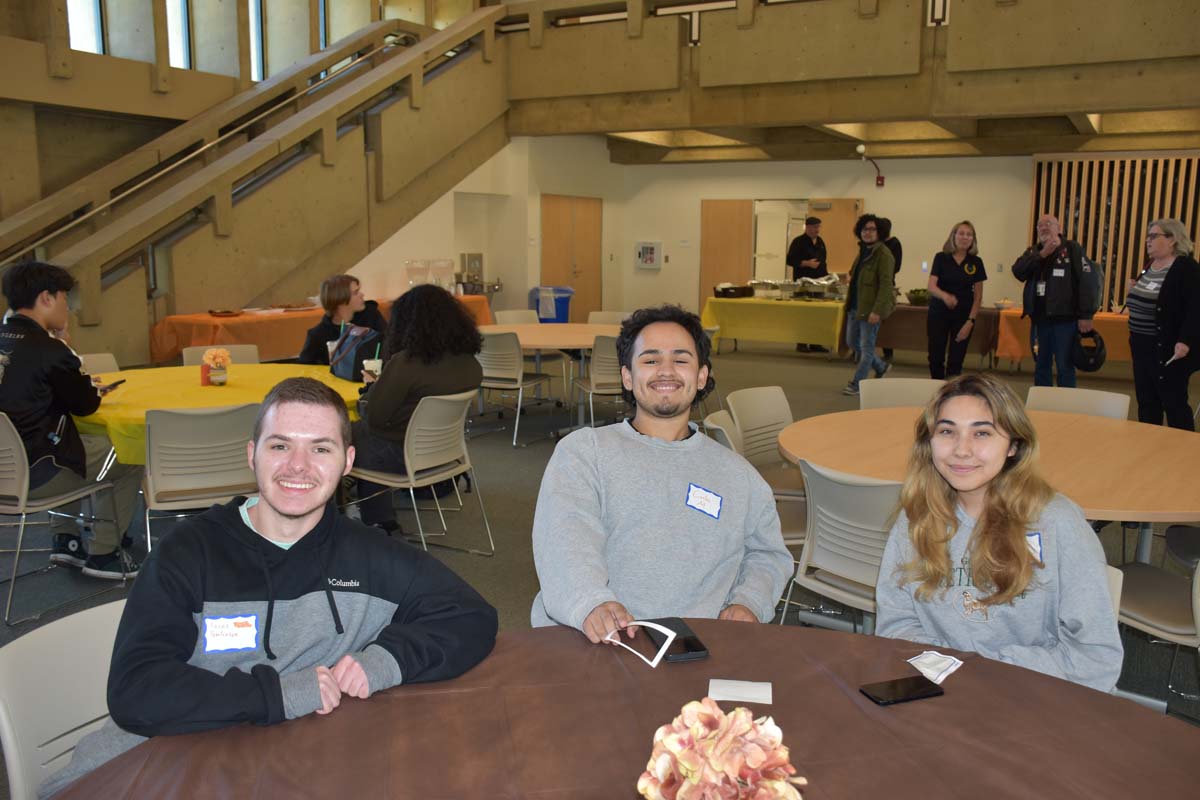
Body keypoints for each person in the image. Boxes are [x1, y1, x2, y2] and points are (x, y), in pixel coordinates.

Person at [39, 377, 498, 798]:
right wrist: (279, 693)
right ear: (251, 453)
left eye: (321, 449)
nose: (298, 467)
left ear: (348, 462)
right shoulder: (190, 552)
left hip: (285, 767)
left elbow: (469, 615)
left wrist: (386, 660)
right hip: (154, 763)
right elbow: (136, 691)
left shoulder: (371, 556)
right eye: (280, 445)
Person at [530, 305, 793, 643]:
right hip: (597, 637)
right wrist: (592, 603)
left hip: (697, 643)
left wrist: (749, 602)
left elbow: (767, 553)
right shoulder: (585, 453)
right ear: (627, 376)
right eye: (650, 360)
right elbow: (565, 539)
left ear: (701, 376)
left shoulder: (737, 474)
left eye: (681, 360)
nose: (666, 371)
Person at [875, 374, 1123, 693]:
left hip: (1040, 694)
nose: (962, 450)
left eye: (982, 433)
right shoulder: (917, 518)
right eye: (947, 431)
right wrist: (959, 675)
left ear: (1014, 447)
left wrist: (984, 670)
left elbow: (1095, 657)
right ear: (930, 443)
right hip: (946, 691)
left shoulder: (1055, 522)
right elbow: (895, 625)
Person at [0, 262, 141, 579]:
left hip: (7, 470)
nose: (68, 307)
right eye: (65, 298)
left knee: (68, 441)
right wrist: (64, 342)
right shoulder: (48, 350)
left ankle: (66, 539)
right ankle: (105, 553)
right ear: (46, 299)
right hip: (34, 476)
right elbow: (86, 405)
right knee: (128, 452)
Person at [352, 285, 483, 532]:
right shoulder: (471, 364)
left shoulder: (406, 363)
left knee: (333, 439)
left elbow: (376, 420)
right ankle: (378, 518)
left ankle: (373, 520)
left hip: (401, 457)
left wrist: (372, 391)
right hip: (446, 456)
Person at [1125, 218, 1200, 430]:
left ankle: (1184, 451)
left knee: (1173, 402)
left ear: (1172, 239)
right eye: (1148, 236)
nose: (1148, 241)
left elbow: (1195, 310)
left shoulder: (1186, 268)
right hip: (1141, 346)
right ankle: (1150, 448)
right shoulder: (1150, 266)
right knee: (1147, 402)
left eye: (1154, 236)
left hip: (1168, 348)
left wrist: (1185, 341)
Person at [1012, 215, 1099, 387]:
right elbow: (1018, 272)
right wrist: (1043, 254)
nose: (1043, 227)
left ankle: (1066, 407)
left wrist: (1086, 314)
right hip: (1039, 321)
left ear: (1059, 229)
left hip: (1066, 321)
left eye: (1048, 224)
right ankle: (1042, 406)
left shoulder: (1072, 249)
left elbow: (1088, 282)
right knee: (1041, 365)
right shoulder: (1033, 252)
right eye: (1040, 225)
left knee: (1065, 366)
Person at [841, 214, 895, 396]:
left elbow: (887, 285)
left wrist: (877, 311)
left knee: (866, 348)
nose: (868, 233)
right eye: (865, 229)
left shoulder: (884, 255)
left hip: (871, 309)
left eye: (872, 229)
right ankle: (881, 367)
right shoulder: (863, 251)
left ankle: (857, 384)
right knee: (851, 342)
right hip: (855, 307)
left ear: (880, 232)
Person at [927, 221, 987, 379]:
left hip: (963, 317)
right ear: (953, 236)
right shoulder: (941, 258)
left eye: (969, 234)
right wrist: (945, 296)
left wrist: (970, 322)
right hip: (938, 314)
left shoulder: (976, 262)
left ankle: (952, 397)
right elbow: (931, 287)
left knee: (956, 362)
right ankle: (937, 393)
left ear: (973, 239)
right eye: (961, 233)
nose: (965, 237)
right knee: (935, 358)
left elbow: (978, 297)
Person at [298, 274, 387, 365]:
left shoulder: (371, 315)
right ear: (341, 299)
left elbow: (390, 346)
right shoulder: (318, 335)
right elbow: (305, 368)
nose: (362, 295)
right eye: (356, 292)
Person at [787, 216, 830, 353]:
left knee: (818, 313)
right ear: (807, 227)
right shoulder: (798, 242)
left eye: (818, 227)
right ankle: (802, 343)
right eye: (814, 227)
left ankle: (815, 342)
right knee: (803, 313)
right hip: (802, 283)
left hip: (819, 282)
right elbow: (790, 260)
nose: (817, 230)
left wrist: (827, 278)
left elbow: (824, 260)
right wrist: (807, 263)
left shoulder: (820, 242)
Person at [878, 218, 903, 364]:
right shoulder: (876, 243)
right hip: (872, 285)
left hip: (887, 284)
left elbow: (897, 266)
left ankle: (888, 352)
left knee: (886, 320)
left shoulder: (894, 244)